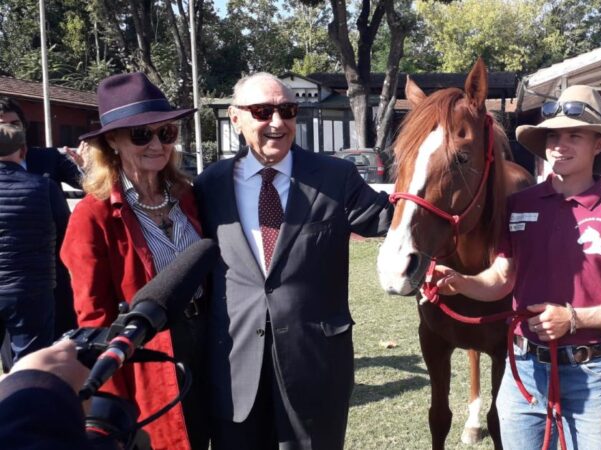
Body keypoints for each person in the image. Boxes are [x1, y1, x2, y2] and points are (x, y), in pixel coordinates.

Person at [194, 72, 392, 450]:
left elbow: (392, 223)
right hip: (234, 368)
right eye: (262, 111)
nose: (277, 122)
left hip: (314, 364)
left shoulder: (336, 177)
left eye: (287, 110)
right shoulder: (209, 184)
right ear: (235, 118)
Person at [431, 85, 601, 449]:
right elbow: (502, 278)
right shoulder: (519, 204)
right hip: (523, 369)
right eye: (553, 136)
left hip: (593, 373)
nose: (560, 145)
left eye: (575, 136)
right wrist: (460, 282)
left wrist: (574, 320)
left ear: (599, 144)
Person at [60, 72, 208, 450]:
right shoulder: (92, 216)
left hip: (211, 340)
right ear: (112, 140)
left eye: (167, 132)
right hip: (149, 357)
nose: (158, 144)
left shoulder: (188, 196)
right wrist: (113, 403)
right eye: (142, 135)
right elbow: (94, 320)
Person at [0, 97, 80, 340]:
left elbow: (91, 186)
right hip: (7, 278)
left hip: (48, 274)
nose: (9, 130)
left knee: (47, 351)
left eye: (14, 124)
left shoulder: (49, 158)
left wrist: (88, 167)